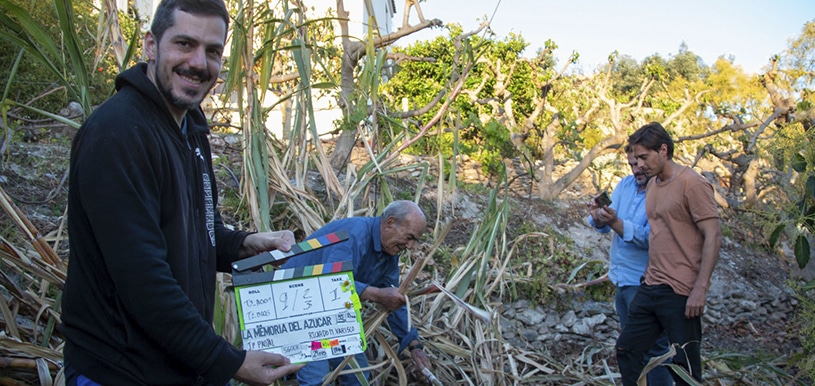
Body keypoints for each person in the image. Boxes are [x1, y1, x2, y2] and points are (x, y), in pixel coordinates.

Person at [59, 1, 303, 385]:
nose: (198, 63)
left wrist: (245, 245)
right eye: (184, 44)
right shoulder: (119, 133)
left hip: (175, 367)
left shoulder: (190, 128)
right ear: (151, 45)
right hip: (119, 372)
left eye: (212, 51)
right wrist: (228, 361)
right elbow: (142, 278)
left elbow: (198, 233)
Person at [280, 200, 432, 385]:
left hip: (330, 317)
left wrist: (413, 344)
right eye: (409, 237)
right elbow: (330, 282)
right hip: (294, 310)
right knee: (315, 379)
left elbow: (394, 300)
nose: (410, 246)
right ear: (390, 222)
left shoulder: (388, 254)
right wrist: (375, 293)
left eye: (414, 240)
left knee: (358, 376)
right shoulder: (354, 234)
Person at [616, 122, 722, 386]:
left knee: (685, 367)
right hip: (650, 286)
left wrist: (700, 288)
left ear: (663, 150)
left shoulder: (692, 184)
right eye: (635, 158)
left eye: (643, 157)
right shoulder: (652, 185)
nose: (638, 164)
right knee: (627, 351)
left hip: (681, 291)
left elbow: (713, 235)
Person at [588, 146, 674, 385]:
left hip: (648, 284)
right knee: (631, 350)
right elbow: (603, 223)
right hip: (622, 280)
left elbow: (652, 239)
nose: (636, 170)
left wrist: (616, 222)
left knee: (655, 351)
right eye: (632, 164)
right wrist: (598, 215)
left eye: (640, 163)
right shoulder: (625, 185)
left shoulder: (664, 191)